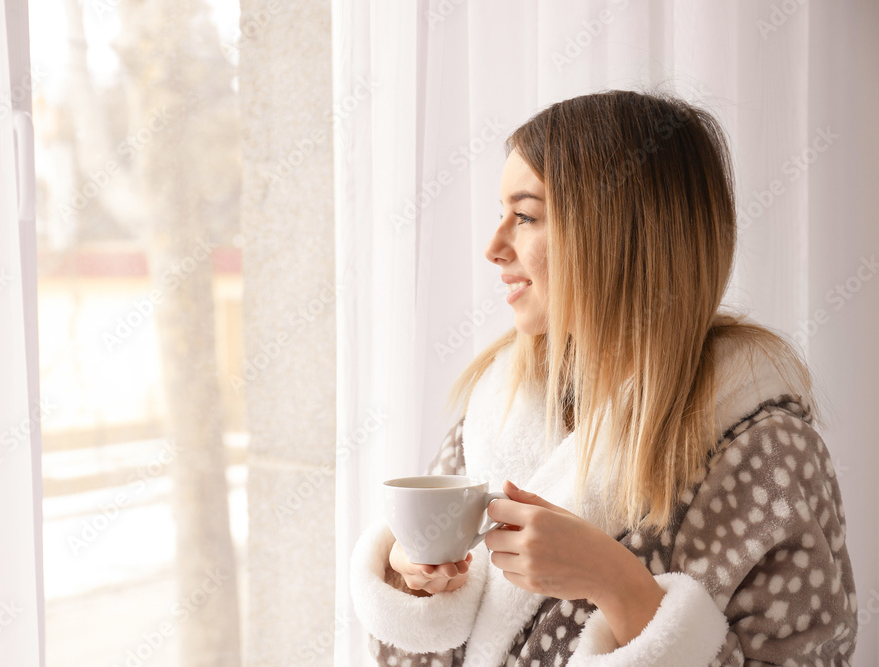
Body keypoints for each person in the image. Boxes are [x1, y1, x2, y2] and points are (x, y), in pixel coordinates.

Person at [349, 90, 858, 666]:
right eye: (501, 215)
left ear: (617, 236)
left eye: (524, 216)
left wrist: (617, 585)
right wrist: (416, 584)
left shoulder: (765, 454)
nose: (493, 248)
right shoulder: (497, 410)